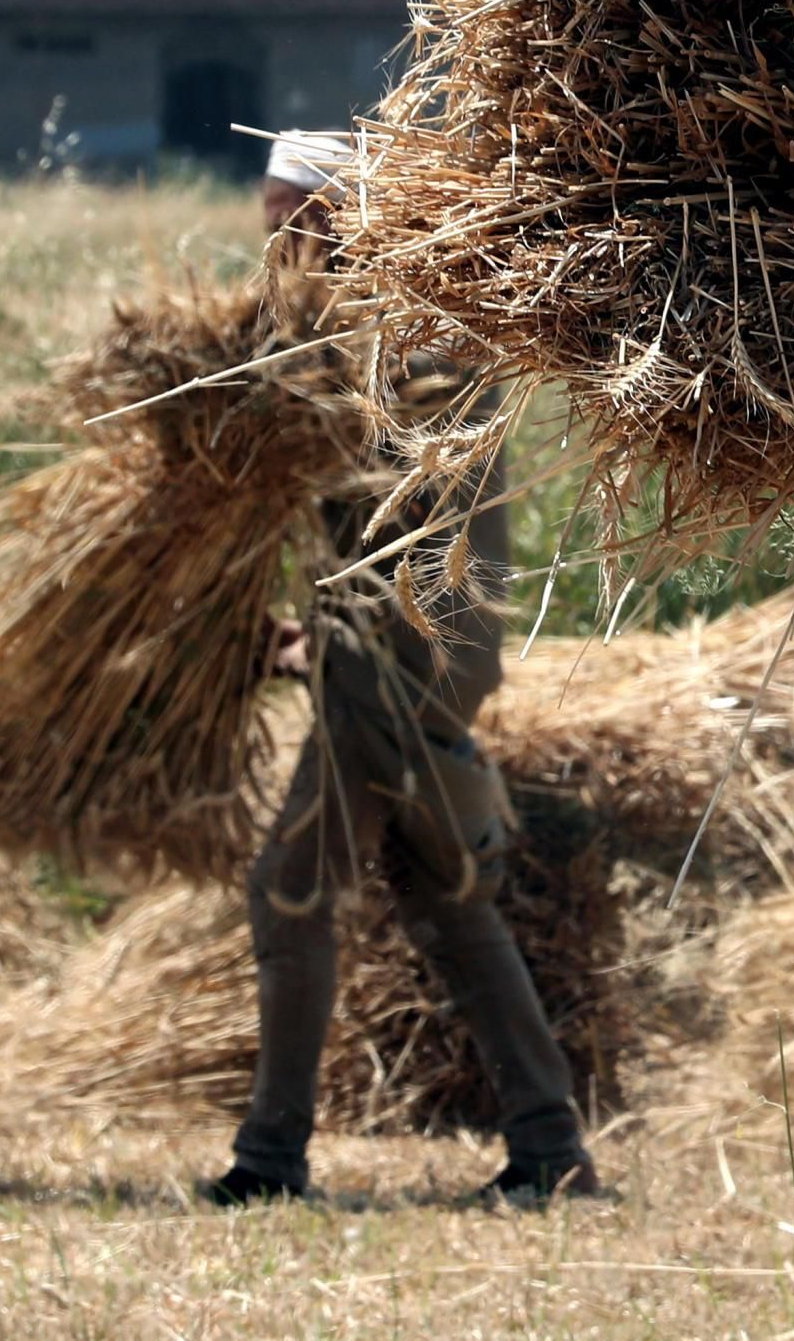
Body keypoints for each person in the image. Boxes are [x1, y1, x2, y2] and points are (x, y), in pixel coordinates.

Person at [201, 130, 600, 1209]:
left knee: (290, 892)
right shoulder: (343, 333)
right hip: (377, 653)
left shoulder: (418, 337)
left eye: (292, 224)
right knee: (447, 900)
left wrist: (247, 402)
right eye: (270, 225)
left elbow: (387, 475)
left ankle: (271, 1160)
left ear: (342, 223)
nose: (277, 249)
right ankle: (550, 1147)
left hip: (404, 661)